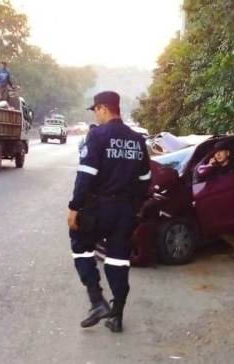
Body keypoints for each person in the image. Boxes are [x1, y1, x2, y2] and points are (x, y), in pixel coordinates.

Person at [67, 91, 151, 333]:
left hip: (98, 207)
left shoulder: (97, 135)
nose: (96, 114)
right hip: (125, 210)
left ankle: (97, 301)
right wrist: (134, 205)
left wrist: (74, 207)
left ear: (103, 108)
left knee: (81, 248)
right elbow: (145, 179)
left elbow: (86, 175)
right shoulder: (137, 140)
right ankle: (117, 316)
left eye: (95, 110)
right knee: (118, 261)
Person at [195, 141, 234, 258]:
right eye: (216, 153)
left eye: (221, 152)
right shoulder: (215, 168)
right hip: (220, 200)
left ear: (228, 152)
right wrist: (210, 165)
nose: (218, 155)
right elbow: (200, 175)